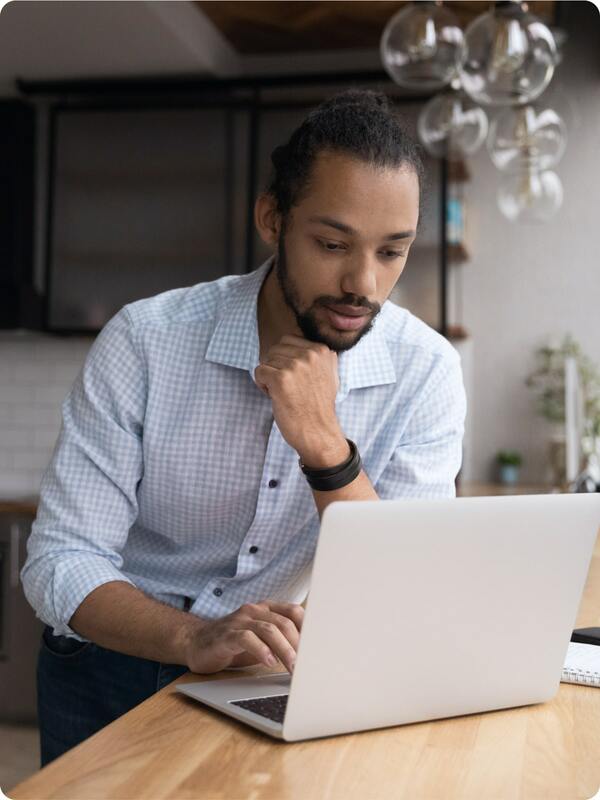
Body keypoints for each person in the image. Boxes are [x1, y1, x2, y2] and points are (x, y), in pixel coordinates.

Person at [21, 88, 466, 765]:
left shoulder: (425, 370)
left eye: (391, 252)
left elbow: (409, 597)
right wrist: (192, 637)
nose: (363, 284)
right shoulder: (146, 341)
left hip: (262, 679)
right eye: (332, 243)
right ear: (271, 219)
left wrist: (327, 448)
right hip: (106, 667)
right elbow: (60, 559)